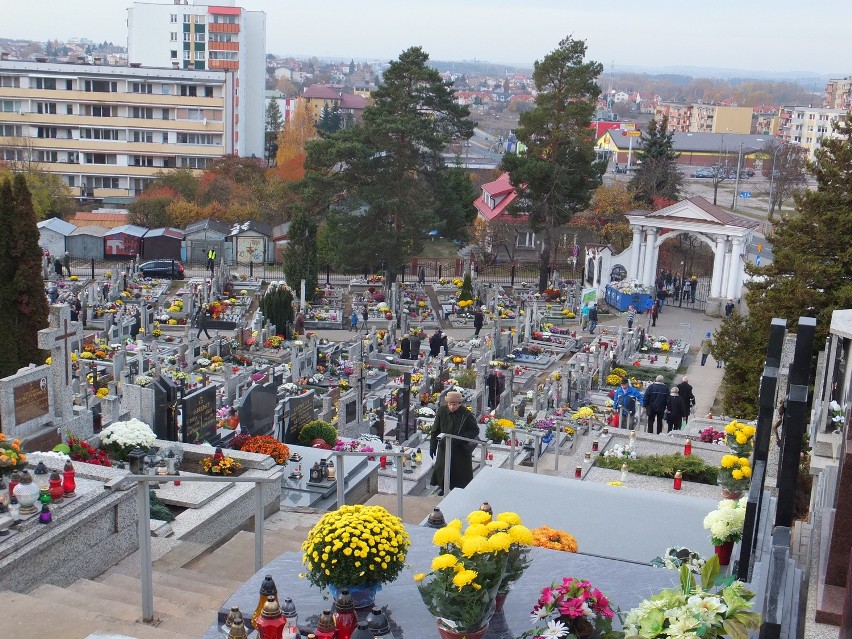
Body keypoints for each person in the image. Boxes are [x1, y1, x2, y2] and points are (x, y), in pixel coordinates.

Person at [430, 390, 480, 495]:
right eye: (450, 404)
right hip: (445, 446)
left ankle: (458, 491)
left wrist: (461, 437)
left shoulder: (466, 414)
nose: (452, 407)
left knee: (458, 471)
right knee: (442, 468)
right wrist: (433, 445)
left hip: (460, 448)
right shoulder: (441, 411)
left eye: (454, 404)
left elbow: (475, 430)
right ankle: (443, 488)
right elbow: (435, 429)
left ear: (459, 404)